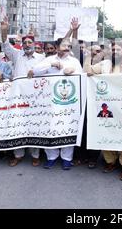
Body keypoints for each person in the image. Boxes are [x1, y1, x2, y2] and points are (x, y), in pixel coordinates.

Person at [85, 41, 122, 181]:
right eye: (113, 49)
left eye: (118, 50)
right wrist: (89, 56)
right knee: (106, 132)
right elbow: (87, 71)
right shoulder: (104, 64)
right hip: (106, 106)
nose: (115, 52)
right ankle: (110, 161)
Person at [29, 38, 83, 170]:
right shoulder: (49, 59)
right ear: (57, 47)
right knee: (51, 128)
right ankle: (51, 157)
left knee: (67, 127)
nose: (66, 48)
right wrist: (51, 65)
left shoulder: (74, 61)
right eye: (64, 45)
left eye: (69, 46)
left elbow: (81, 78)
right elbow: (34, 71)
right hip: (50, 102)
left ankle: (66, 159)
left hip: (68, 102)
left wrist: (69, 71)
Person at [0, 17, 46, 167]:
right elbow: (5, 44)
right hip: (18, 97)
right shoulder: (16, 54)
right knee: (18, 124)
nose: (27, 45)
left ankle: (35, 155)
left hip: (36, 97)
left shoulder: (41, 57)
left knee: (35, 125)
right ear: (21, 45)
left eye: (29, 42)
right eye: (24, 42)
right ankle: (18, 155)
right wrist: (4, 28)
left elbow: (46, 72)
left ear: (34, 44)